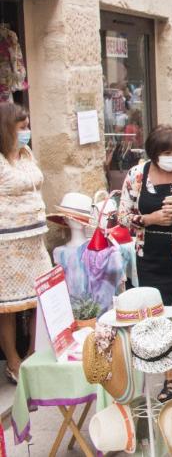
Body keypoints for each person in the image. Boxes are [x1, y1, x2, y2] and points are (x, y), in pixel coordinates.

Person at [118, 124, 172, 401]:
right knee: (159, 312)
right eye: (167, 152)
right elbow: (123, 216)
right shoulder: (136, 176)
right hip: (149, 254)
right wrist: (148, 219)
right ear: (153, 154)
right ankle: (168, 374)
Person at [0, 103, 50, 384]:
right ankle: (13, 360)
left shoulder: (26, 155)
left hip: (34, 241)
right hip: (7, 245)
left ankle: (34, 352)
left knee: (40, 298)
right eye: (22, 128)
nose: (27, 132)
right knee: (8, 305)